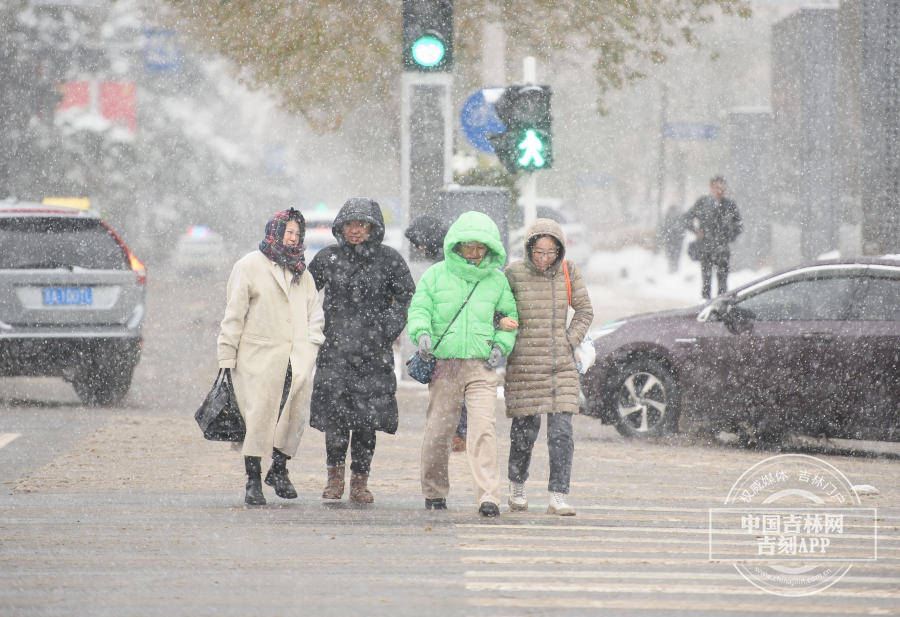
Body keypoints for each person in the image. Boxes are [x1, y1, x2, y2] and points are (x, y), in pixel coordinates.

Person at [407, 210, 518, 517]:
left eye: (480, 247)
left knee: (483, 430)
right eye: (468, 246)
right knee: (439, 431)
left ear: (489, 248)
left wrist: (501, 345)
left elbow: (509, 319)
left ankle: (488, 496)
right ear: (455, 245)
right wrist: (422, 334)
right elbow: (420, 310)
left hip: (481, 367)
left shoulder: (496, 281)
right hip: (445, 365)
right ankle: (434, 490)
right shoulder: (436, 276)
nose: (473, 252)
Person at [308, 198, 415, 504]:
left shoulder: (389, 260)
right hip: (335, 353)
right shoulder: (327, 258)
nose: (355, 231)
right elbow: (303, 293)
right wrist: (316, 328)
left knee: (368, 422)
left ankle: (360, 482)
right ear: (340, 227)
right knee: (336, 419)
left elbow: (407, 297)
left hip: (373, 353)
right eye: (349, 225)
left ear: (373, 228)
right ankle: (334, 478)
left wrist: (386, 329)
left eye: (361, 225)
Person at [217, 208, 324, 506]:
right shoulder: (249, 266)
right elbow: (234, 314)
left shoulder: (302, 272)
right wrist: (227, 355)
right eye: (288, 232)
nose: (292, 237)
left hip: (297, 358)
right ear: (274, 232)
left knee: (291, 415)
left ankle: (279, 468)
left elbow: (314, 312)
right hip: (258, 358)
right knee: (259, 417)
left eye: (297, 233)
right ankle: (253, 479)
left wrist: (312, 344)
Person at [503, 218, 593, 516]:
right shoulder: (513, 274)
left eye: (550, 252)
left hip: (561, 365)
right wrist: (502, 327)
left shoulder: (568, 272)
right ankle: (517, 486)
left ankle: (558, 494)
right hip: (525, 364)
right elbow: (496, 310)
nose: (544, 259)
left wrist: (570, 340)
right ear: (529, 249)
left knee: (561, 433)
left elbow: (584, 310)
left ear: (559, 251)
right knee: (524, 431)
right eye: (539, 252)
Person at [404, 214, 467, 453]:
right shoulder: (449, 257)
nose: (420, 248)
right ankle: (458, 433)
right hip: (456, 337)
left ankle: (457, 434)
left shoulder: (443, 265)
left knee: (451, 387)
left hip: (451, 338)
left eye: (420, 242)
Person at [685, 175, 742, 299]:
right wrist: (696, 231)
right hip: (706, 249)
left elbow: (738, 225)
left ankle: (721, 306)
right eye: (717, 187)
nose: (720, 190)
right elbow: (687, 218)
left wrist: (728, 236)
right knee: (706, 282)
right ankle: (706, 305)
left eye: (722, 187)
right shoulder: (702, 203)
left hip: (722, 251)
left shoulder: (730, 205)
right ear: (711, 188)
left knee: (723, 284)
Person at [658, 204, 686, 273]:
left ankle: (671, 266)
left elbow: (664, 226)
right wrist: (682, 235)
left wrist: (663, 234)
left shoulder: (667, 215)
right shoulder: (680, 214)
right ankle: (675, 266)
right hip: (678, 238)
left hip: (669, 238)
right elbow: (683, 226)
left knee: (670, 252)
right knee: (677, 253)